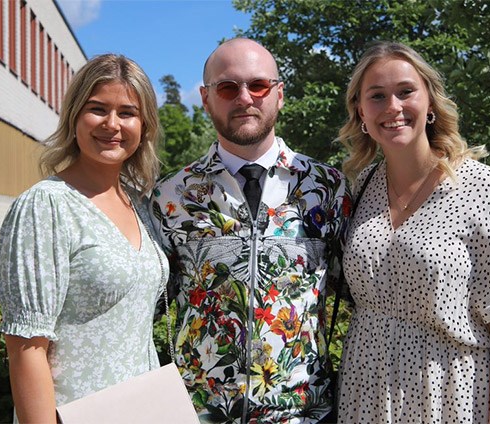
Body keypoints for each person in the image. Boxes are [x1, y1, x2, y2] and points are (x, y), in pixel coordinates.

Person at [336, 40, 490, 423]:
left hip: (449, 398)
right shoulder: (363, 186)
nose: (393, 107)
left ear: (430, 102)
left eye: (406, 91)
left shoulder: (479, 188)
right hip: (363, 397)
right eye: (377, 96)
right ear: (360, 112)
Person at [150, 38, 351, 423]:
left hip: (305, 415)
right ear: (206, 99)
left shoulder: (327, 189)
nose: (244, 98)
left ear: (279, 95)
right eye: (228, 87)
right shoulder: (172, 194)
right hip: (202, 416)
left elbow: (359, 294)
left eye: (258, 85)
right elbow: (150, 305)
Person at [0, 54, 167, 422]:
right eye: (97, 108)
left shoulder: (140, 204)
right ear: (74, 117)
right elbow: (25, 346)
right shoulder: (47, 206)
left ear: (144, 125)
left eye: (127, 112)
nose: (112, 124)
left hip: (147, 409)